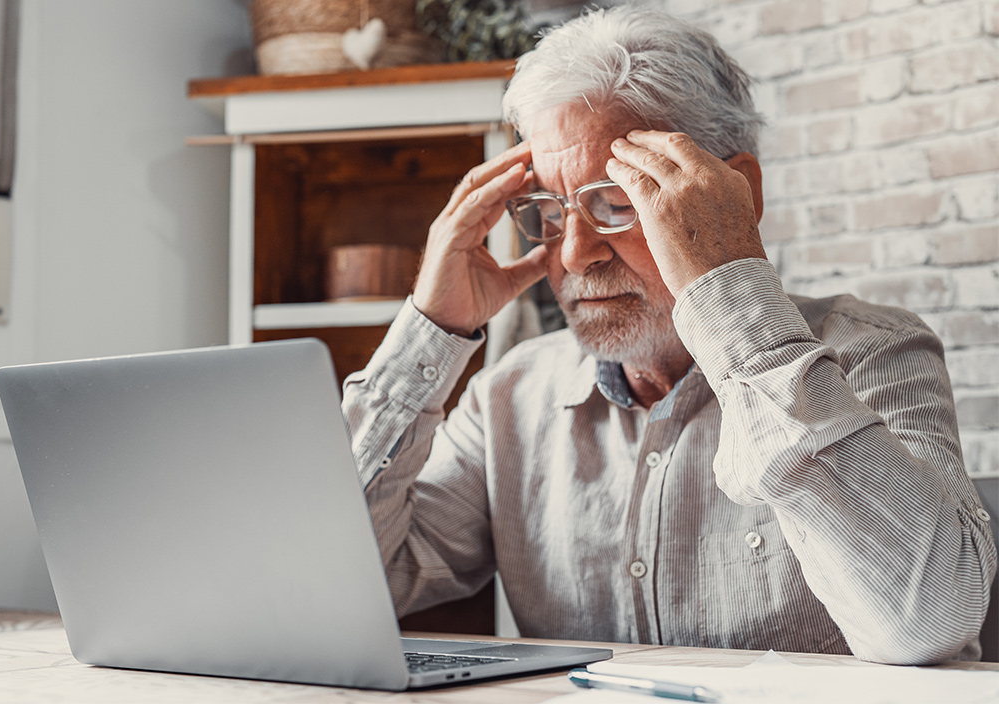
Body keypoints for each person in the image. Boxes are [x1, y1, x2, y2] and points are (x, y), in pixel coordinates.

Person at [340, 6, 996, 665]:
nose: (573, 255)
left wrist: (729, 282)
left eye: (617, 199)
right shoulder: (510, 395)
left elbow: (926, 622)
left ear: (736, 193)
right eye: (548, 208)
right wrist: (432, 329)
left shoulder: (877, 355)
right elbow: (349, 582)